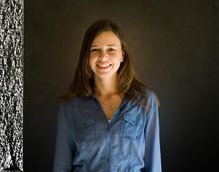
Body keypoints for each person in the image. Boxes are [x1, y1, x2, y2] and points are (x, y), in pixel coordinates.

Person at [53, 19, 162, 172]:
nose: (103, 57)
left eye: (111, 49)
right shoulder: (70, 105)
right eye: (95, 49)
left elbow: (154, 165)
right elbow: (61, 166)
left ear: (122, 55)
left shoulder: (145, 102)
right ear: (87, 56)